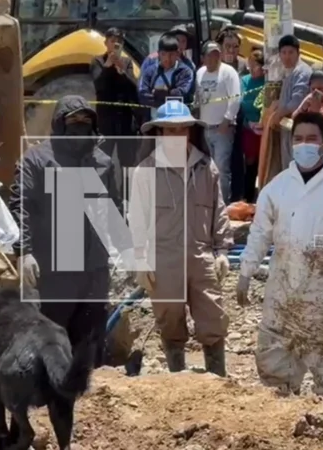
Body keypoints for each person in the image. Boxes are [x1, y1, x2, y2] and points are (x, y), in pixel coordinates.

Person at [236, 111, 323, 399]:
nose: (304, 145)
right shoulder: (276, 188)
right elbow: (261, 233)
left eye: (311, 139)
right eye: (298, 139)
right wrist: (245, 271)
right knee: (275, 372)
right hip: (282, 292)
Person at [9, 95, 121, 366]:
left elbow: (114, 207)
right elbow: (20, 204)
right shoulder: (37, 159)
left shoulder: (102, 161)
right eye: (73, 121)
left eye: (85, 121)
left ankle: (93, 397)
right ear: (59, 123)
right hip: (55, 266)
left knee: (92, 334)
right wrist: (24, 251)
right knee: (53, 334)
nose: (80, 126)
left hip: (94, 266)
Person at [129, 100, 233, 376]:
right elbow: (137, 219)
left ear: (189, 131)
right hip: (164, 260)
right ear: (159, 133)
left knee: (212, 320)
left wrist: (222, 250)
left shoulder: (206, 168)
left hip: (201, 258)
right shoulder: (145, 172)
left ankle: (219, 381)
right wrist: (140, 258)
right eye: (169, 130)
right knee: (170, 323)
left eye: (181, 130)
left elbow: (218, 211)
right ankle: (177, 380)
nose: (175, 136)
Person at [91, 28, 140, 193]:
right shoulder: (97, 61)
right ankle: (100, 192)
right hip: (106, 121)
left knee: (127, 160)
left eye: (119, 41)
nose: (115, 44)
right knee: (102, 158)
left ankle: (126, 195)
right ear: (106, 43)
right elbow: (99, 87)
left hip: (125, 121)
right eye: (112, 40)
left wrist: (122, 71)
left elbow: (134, 89)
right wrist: (107, 66)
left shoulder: (126, 63)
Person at [196, 41, 241, 202]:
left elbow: (235, 98)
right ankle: (209, 200)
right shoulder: (200, 73)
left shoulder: (229, 72)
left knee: (222, 168)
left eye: (216, 54)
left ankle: (223, 203)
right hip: (205, 128)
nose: (213, 58)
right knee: (208, 168)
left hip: (222, 129)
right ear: (203, 58)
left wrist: (227, 120)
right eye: (210, 54)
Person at [268, 35, 312, 168]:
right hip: (286, 129)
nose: (287, 56)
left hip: (297, 129)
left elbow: (296, 101)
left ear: (298, 53)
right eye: (284, 53)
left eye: (291, 52)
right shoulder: (288, 72)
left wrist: (278, 115)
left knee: (296, 166)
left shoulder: (302, 72)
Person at [138, 34, 194, 119]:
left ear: (177, 53)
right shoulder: (149, 71)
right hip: (153, 119)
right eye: (164, 54)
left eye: (171, 54)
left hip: (177, 119)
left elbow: (182, 94)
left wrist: (161, 93)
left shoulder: (185, 72)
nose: (167, 58)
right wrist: (166, 97)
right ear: (158, 54)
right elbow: (142, 94)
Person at [240, 48, 265, 202]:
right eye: (253, 65)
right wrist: (250, 121)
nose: (256, 69)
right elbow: (242, 102)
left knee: (262, 161)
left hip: (264, 127)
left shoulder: (268, 82)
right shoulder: (244, 80)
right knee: (249, 161)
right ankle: (247, 195)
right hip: (248, 127)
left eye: (258, 65)